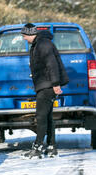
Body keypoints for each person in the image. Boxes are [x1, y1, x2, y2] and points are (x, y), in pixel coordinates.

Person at [21, 23, 69, 158]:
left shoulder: (43, 44)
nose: (24, 38)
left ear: (31, 34)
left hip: (47, 85)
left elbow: (52, 64)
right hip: (45, 84)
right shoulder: (40, 43)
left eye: (25, 36)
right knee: (47, 116)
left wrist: (55, 84)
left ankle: (37, 147)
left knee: (41, 116)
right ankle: (52, 146)